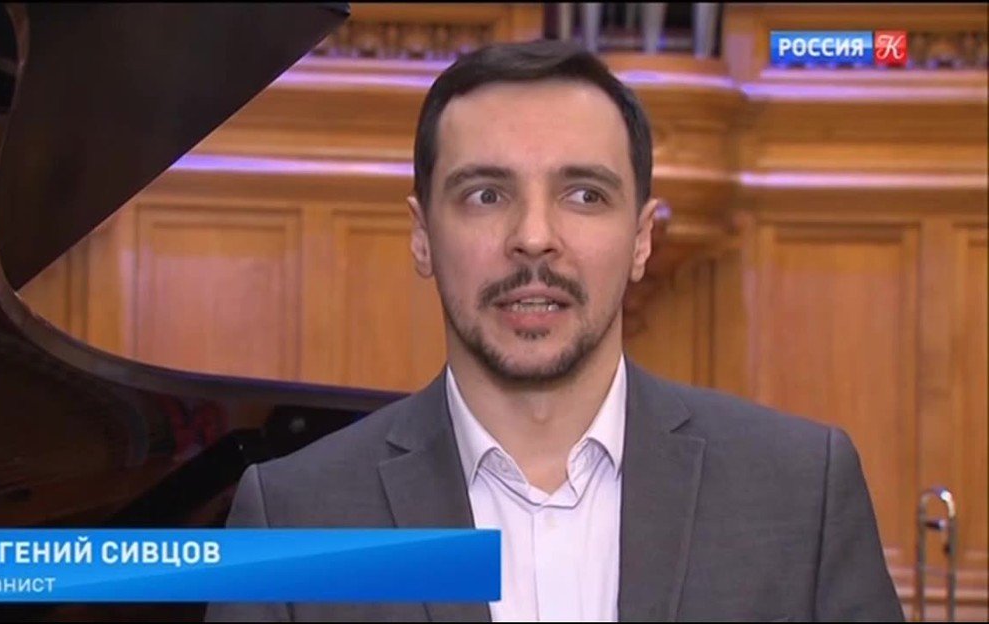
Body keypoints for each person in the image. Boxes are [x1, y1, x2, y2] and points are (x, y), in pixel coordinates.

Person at [205, 39, 904, 623]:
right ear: (422, 236)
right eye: (486, 195)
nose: (534, 237)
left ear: (641, 238)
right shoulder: (294, 518)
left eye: (584, 195)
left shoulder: (801, 491)